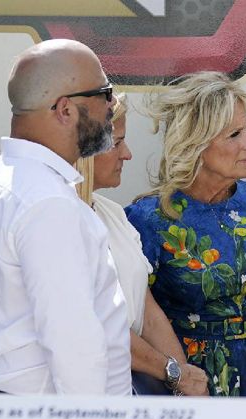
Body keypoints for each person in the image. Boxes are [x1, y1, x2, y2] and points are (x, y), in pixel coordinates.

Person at [0, 39, 131, 395]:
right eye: (104, 92)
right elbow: (73, 343)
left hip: (13, 412)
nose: (111, 105)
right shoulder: (47, 201)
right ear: (65, 109)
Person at [125, 71, 246, 397]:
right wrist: (179, 376)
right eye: (234, 134)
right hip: (190, 378)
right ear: (196, 144)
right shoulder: (147, 220)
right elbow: (138, 317)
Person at [76, 93, 207, 396]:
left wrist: (184, 383)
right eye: (117, 142)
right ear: (84, 148)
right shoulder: (64, 220)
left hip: (127, 389)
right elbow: (102, 326)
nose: (128, 154)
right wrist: (172, 371)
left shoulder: (114, 214)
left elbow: (147, 312)